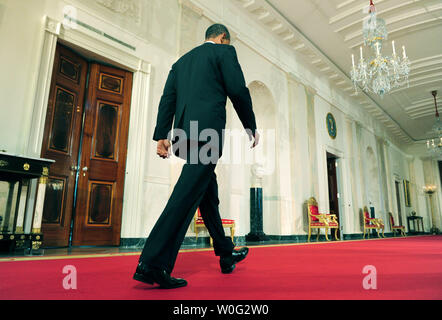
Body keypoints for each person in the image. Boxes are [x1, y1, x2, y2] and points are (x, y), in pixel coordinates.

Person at [133, 24, 259, 289]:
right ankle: (153, 264)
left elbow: (167, 100)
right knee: (185, 194)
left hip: (184, 134)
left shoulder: (181, 63)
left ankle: (226, 253)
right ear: (223, 38)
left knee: (206, 192)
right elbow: (237, 89)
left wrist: (161, 136)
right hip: (207, 133)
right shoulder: (225, 53)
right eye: (227, 41)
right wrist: (251, 125)